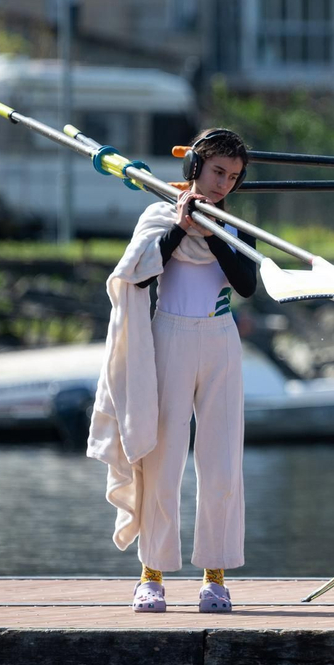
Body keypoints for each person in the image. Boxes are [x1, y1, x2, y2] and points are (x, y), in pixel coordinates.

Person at [87, 128, 258, 614]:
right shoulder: (159, 216)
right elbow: (139, 273)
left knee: (221, 462)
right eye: (217, 172)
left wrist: (215, 232)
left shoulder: (236, 227)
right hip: (170, 338)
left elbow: (246, 284)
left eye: (233, 177)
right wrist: (183, 226)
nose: (223, 184)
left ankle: (215, 577)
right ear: (195, 168)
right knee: (162, 461)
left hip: (220, 340)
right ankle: (152, 575)